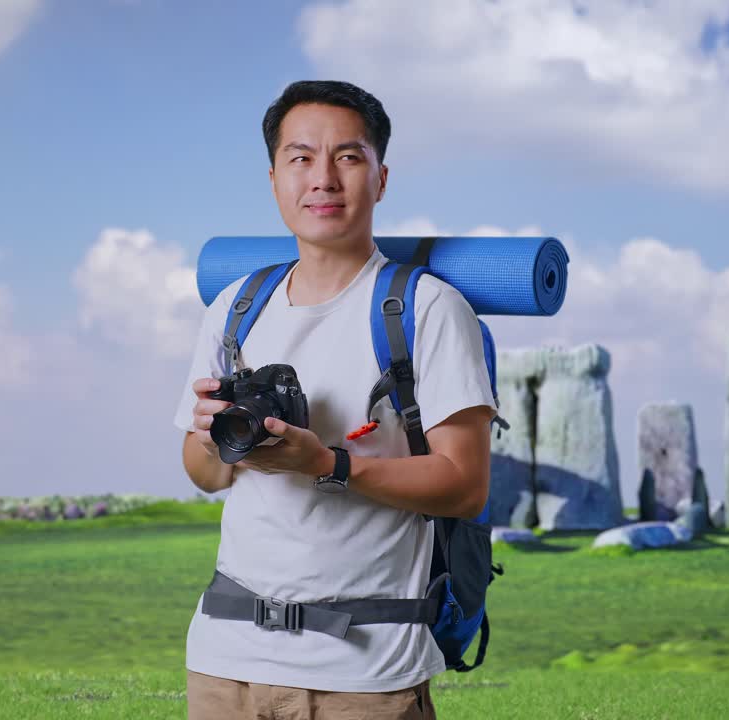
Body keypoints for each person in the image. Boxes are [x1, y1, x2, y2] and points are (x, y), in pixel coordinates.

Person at [172, 80, 497, 720]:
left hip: (365, 674)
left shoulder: (427, 310)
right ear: (274, 179)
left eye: (347, 157)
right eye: (300, 158)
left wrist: (325, 464)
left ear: (380, 179)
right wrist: (220, 439)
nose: (322, 178)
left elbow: (465, 487)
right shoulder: (235, 308)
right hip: (222, 661)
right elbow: (204, 474)